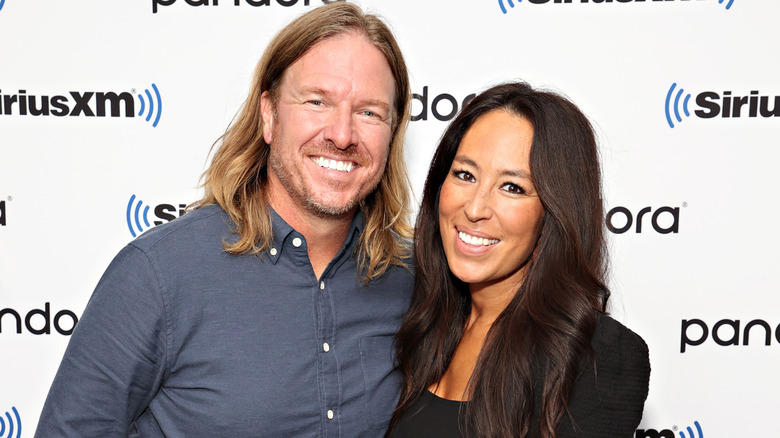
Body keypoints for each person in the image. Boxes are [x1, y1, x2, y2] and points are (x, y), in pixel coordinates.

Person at [35, 3, 414, 437]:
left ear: (392, 129)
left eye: (369, 112)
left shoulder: (414, 281)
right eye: (317, 101)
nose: (342, 134)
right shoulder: (158, 274)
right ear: (269, 116)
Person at [387, 82, 650, 438]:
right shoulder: (422, 321)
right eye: (465, 175)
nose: (476, 208)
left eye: (512, 187)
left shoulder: (596, 357)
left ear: (553, 214)